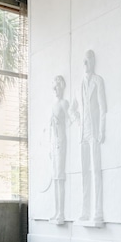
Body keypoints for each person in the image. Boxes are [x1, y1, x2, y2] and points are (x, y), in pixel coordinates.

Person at [73, 49, 106, 223]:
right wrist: (78, 121)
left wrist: (101, 130)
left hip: (94, 131)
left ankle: (97, 210)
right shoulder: (79, 84)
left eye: (87, 61)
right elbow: (73, 109)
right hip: (83, 133)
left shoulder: (98, 81)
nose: (85, 64)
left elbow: (103, 107)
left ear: (93, 62)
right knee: (84, 173)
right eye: (83, 61)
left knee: (96, 171)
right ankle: (85, 210)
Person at [49, 75, 70, 224]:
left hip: (61, 141)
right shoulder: (53, 105)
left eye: (57, 86)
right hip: (54, 142)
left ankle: (61, 212)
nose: (55, 89)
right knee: (55, 178)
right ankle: (56, 211)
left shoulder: (64, 103)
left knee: (60, 178)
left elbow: (70, 121)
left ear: (61, 87)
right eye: (54, 87)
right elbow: (50, 128)